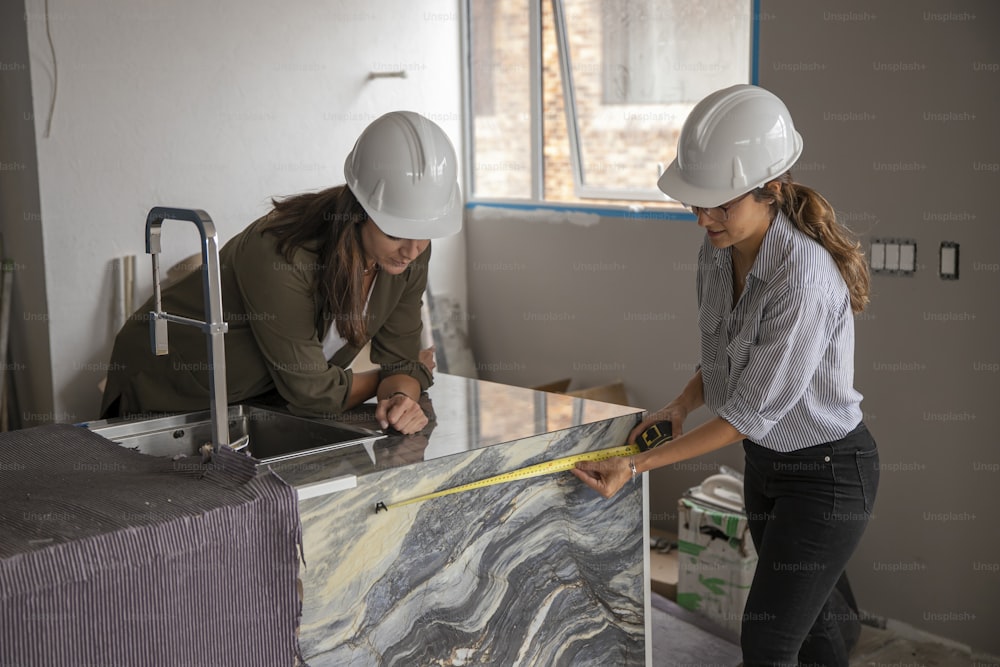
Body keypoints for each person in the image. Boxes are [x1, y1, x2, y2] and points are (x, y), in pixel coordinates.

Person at [571, 84, 879, 666]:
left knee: (767, 641)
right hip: (767, 470)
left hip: (829, 477)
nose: (703, 218)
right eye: (696, 202)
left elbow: (745, 413)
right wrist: (681, 405)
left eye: (720, 203)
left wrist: (633, 467)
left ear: (772, 190)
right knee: (817, 629)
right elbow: (725, 360)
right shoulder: (717, 250)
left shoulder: (803, 279)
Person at [100, 111, 462, 435]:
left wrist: (400, 397)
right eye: (395, 231)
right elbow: (312, 392)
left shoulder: (407, 255)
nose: (413, 249)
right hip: (166, 384)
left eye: (425, 232)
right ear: (359, 211)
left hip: (260, 399)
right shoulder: (280, 253)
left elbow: (401, 362)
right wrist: (394, 377)